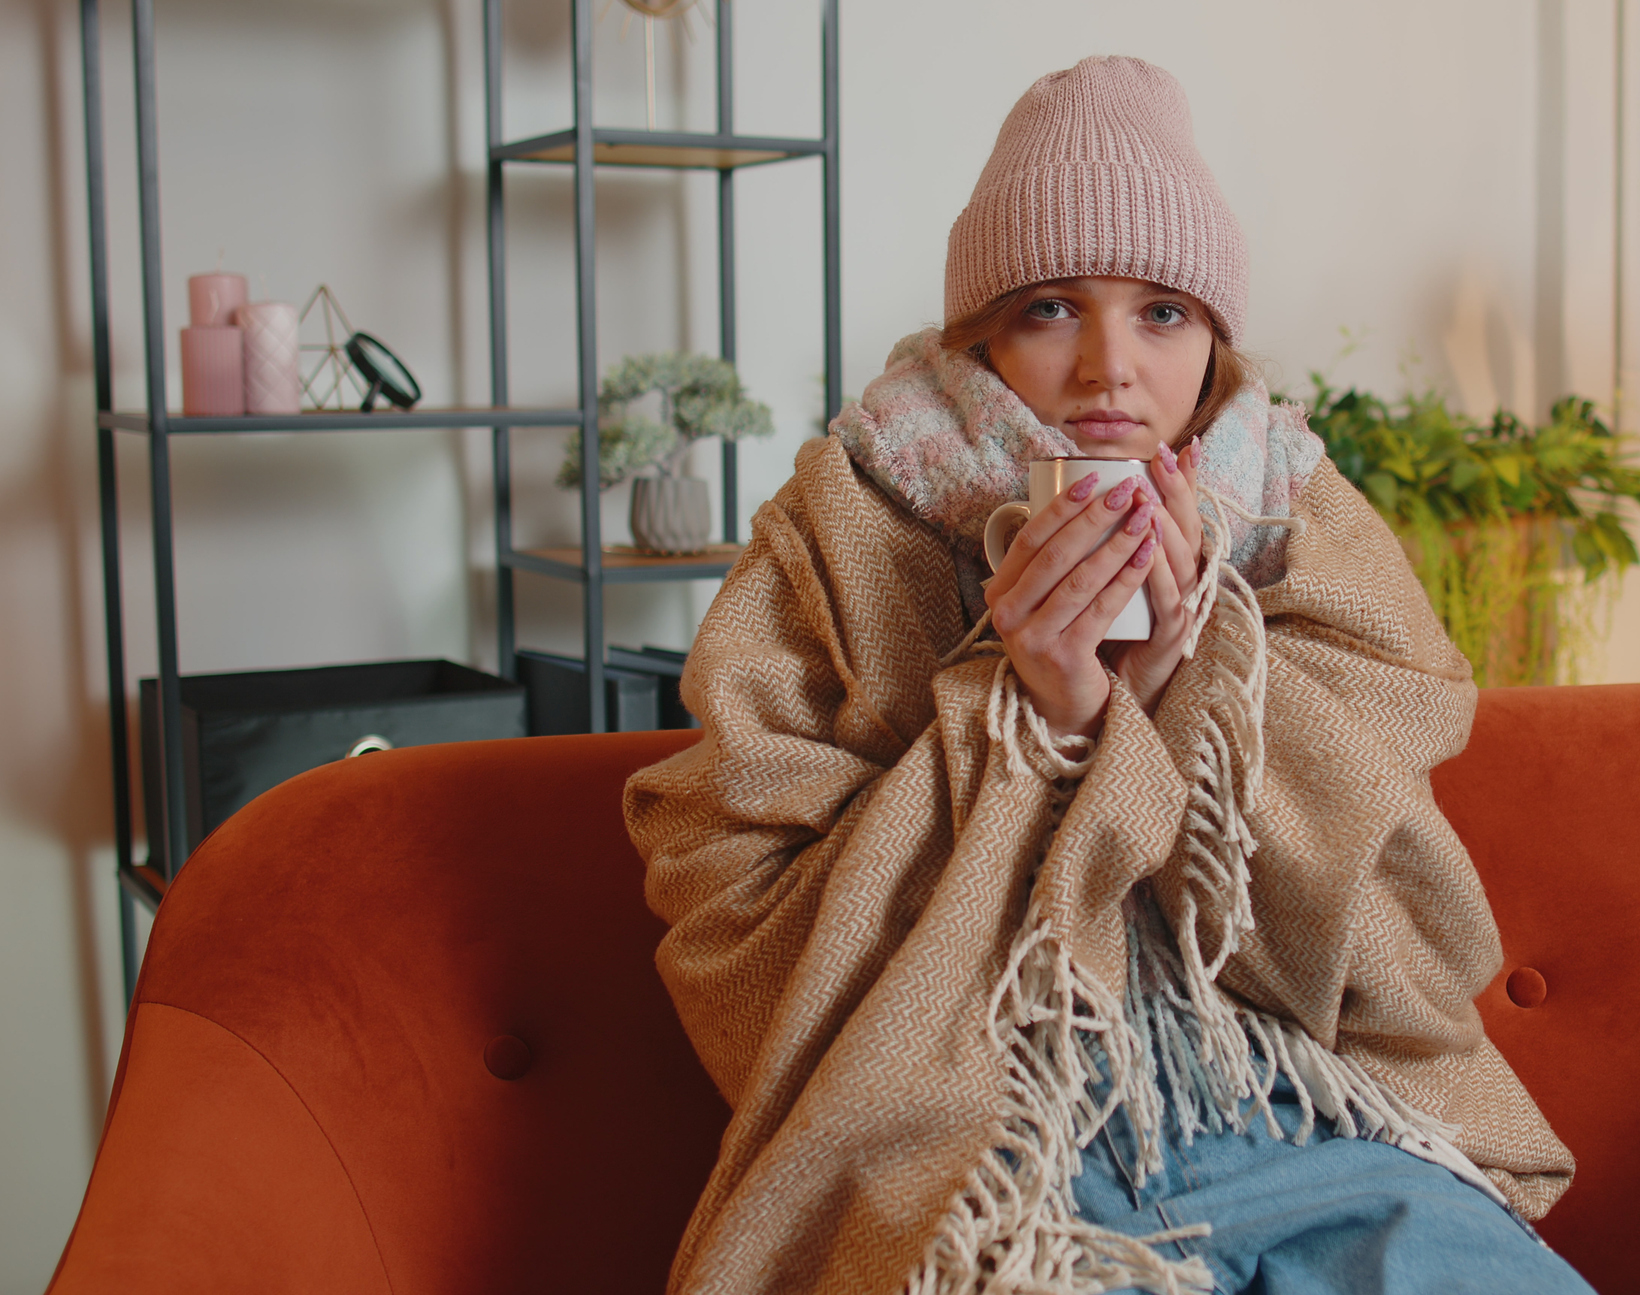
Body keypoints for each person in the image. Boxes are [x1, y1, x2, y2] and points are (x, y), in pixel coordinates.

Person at [624, 56, 1584, 1295]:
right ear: (985, 331)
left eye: (1162, 311)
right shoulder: (842, 525)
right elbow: (736, 923)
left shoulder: (1298, 519)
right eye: (1050, 308)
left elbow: (1407, 927)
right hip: (992, 1152)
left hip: (1305, 1117)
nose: (1108, 368)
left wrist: (1200, 683)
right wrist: (1031, 712)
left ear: (1214, 335)